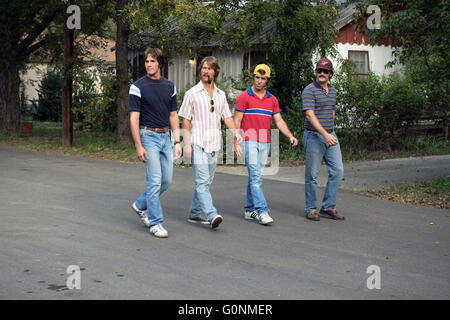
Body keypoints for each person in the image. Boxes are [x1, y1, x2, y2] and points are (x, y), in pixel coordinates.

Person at [178, 56, 242, 229]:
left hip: (215, 144)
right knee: (202, 181)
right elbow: (185, 120)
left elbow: (227, 117)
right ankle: (212, 214)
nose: (206, 71)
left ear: (215, 72)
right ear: (200, 71)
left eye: (209, 68)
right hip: (198, 143)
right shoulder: (192, 93)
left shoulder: (221, 95)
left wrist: (236, 134)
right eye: (204, 68)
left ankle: (194, 213)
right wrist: (187, 144)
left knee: (205, 182)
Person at [233, 64, 298, 225]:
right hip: (248, 140)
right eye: (257, 77)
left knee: (255, 177)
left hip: (265, 142)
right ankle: (262, 211)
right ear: (253, 77)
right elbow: (237, 121)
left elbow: (279, 120)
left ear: (267, 80)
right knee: (255, 177)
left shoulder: (272, 99)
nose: (259, 81)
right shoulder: (244, 97)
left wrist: (290, 135)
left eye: (263, 78)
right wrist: (235, 142)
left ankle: (249, 209)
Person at [128, 48, 182, 238]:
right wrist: (138, 145)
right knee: (154, 181)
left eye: (152, 61)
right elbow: (134, 118)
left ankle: (140, 205)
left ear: (160, 63)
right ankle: (156, 223)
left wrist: (177, 141)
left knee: (166, 181)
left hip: (165, 137)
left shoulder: (169, 86)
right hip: (147, 136)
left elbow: (173, 115)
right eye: (146, 61)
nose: (149, 64)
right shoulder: (137, 86)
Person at [302, 58, 345, 221]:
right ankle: (311, 209)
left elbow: (332, 111)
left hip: (330, 134)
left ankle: (328, 207)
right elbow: (310, 115)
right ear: (315, 72)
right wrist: (324, 134)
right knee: (312, 175)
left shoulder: (332, 90)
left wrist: (330, 132)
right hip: (314, 135)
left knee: (338, 171)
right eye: (319, 70)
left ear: (330, 74)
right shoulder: (309, 90)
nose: (322, 73)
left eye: (325, 71)